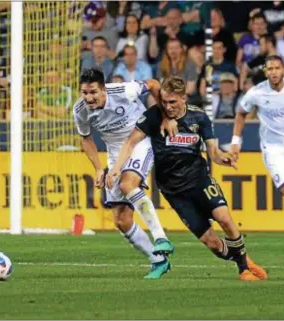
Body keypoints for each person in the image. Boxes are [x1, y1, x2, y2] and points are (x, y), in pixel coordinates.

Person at [107, 76, 268, 281]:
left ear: (184, 98)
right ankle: (243, 259)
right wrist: (116, 168)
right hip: (174, 191)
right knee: (213, 244)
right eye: (164, 101)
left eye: (172, 102)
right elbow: (130, 143)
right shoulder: (154, 116)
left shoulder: (199, 117)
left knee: (224, 218)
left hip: (200, 180)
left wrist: (223, 158)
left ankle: (244, 268)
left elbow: (213, 151)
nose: (167, 106)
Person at [73, 68, 174, 279]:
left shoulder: (124, 90)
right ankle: (159, 261)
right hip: (115, 153)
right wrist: (99, 168)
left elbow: (154, 84)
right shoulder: (80, 110)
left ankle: (160, 238)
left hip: (140, 140)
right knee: (121, 220)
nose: (89, 98)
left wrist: (164, 117)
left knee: (127, 184)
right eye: (85, 93)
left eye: (93, 92)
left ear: (104, 89)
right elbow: (85, 138)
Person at [231, 55, 284, 253]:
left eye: (277, 68)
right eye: (270, 69)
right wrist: (236, 142)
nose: (273, 72)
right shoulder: (256, 93)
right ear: (265, 71)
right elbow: (241, 113)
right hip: (274, 150)